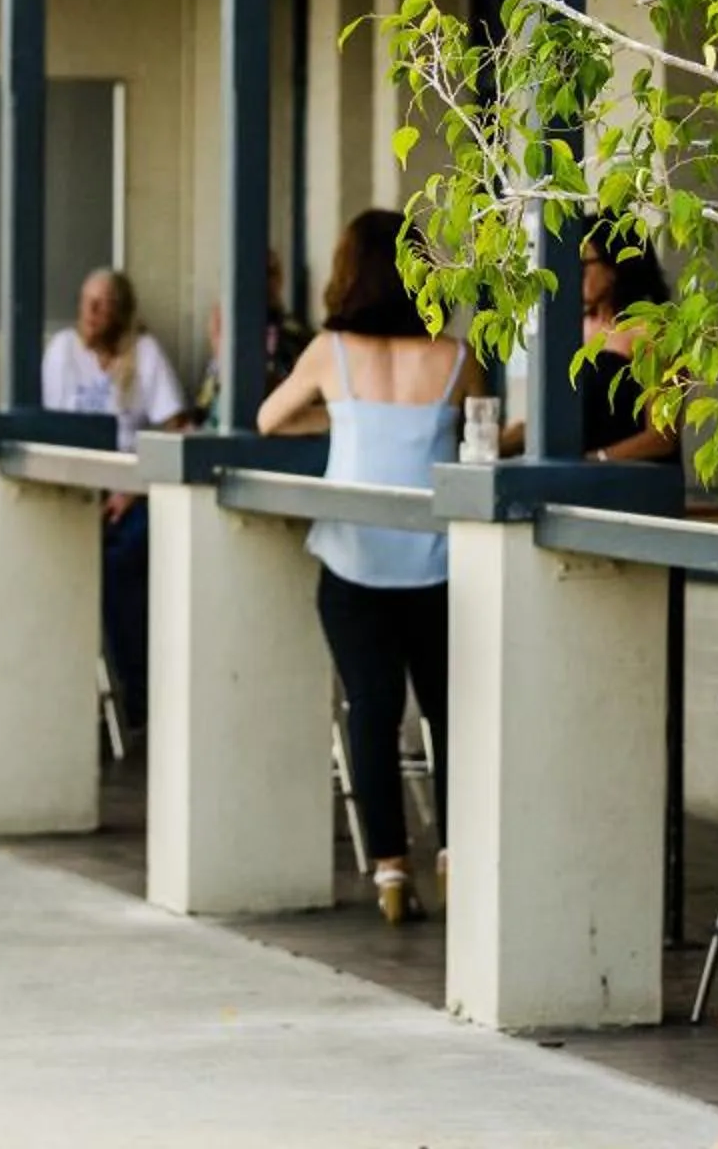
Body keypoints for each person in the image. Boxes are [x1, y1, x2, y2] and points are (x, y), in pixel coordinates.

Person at [258, 208, 491, 925]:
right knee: (450, 715)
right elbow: (482, 436)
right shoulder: (456, 357)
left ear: (349, 272)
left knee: (372, 711)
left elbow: (270, 419)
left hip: (354, 557)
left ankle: (391, 869)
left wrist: (340, 417)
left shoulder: (332, 354)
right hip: (437, 561)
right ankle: (456, 856)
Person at [41, 268, 190, 736]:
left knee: (123, 564)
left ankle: (141, 698)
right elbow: (52, 430)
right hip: (77, 491)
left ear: (121, 310)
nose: (92, 312)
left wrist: (132, 488)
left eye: (103, 303)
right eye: (87, 301)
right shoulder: (63, 351)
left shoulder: (143, 353)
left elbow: (178, 428)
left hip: (133, 493)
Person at [579, 222, 677, 463]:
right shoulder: (574, 326)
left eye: (584, 263)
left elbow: (661, 436)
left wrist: (598, 459)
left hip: (635, 480)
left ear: (614, 266)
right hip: (576, 479)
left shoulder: (651, 332)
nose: (576, 272)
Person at [193, 250, 310, 421]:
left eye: (270, 273)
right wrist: (221, 350)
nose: (264, 282)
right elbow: (203, 408)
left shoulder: (293, 336)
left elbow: (284, 397)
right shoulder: (226, 325)